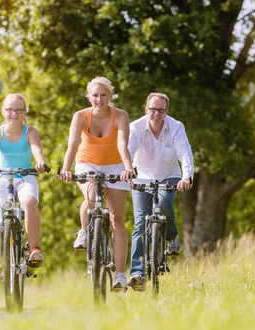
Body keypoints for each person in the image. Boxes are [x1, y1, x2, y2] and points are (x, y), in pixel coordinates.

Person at [58, 76, 135, 292]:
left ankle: (120, 274)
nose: (99, 99)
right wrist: (65, 169)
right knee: (91, 196)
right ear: (88, 97)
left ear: (110, 96)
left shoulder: (120, 116)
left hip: (115, 165)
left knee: (117, 218)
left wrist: (128, 168)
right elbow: (72, 145)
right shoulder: (81, 116)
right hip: (87, 163)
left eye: (103, 95)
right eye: (95, 95)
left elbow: (122, 145)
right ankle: (84, 232)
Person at [0, 93, 48, 282]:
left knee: (30, 202)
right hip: (3, 177)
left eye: (18, 110)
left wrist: (40, 163)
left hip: (25, 176)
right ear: (3, 111)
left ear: (24, 112)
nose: (14, 113)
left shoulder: (30, 132)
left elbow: (36, 150)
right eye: (10, 109)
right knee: (1, 225)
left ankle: (34, 249)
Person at [127, 92, 194, 292]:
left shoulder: (176, 127)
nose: (156, 113)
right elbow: (128, 152)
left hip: (169, 176)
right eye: (153, 109)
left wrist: (187, 177)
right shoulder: (136, 127)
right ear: (146, 109)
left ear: (167, 111)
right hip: (141, 178)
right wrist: (127, 173)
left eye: (161, 110)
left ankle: (172, 236)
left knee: (165, 205)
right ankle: (137, 272)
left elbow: (185, 153)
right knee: (140, 223)